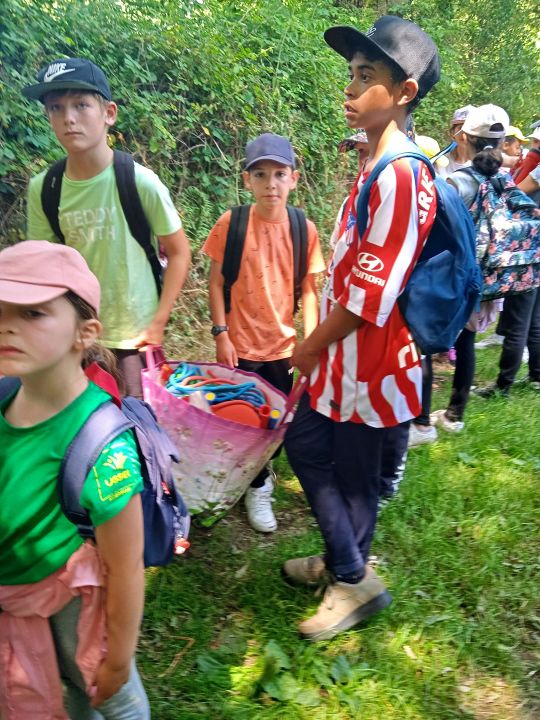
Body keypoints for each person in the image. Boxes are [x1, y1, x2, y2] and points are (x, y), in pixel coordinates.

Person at [283, 15, 439, 640]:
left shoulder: (401, 172)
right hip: (345, 355)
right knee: (314, 448)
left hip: (368, 358)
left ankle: (351, 577)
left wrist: (307, 346)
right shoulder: (375, 161)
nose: (349, 87)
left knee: (344, 469)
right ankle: (344, 559)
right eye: (350, 72)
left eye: (366, 75)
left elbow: (371, 296)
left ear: (404, 92)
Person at [0, 241, 149, 718]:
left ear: (84, 333)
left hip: (67, 602)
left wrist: (118, 661)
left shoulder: (103, 447)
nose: (6, 325)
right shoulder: (4, 397)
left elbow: (125, 568)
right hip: (12, 598)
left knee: (103, 693)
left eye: (32, 313)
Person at [22, 57, 191, 398]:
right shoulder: (45, 188)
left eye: (81, 105)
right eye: (56, 108)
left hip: (133, 337)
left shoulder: (140, 182)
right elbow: (44, 268)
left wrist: (157, 324)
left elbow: (179, 253)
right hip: (75, 337)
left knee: (134, 422)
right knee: (78, 424)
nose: (69, 118)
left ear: (109, 113)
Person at [202, 133, 325, 533]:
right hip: (239, 346)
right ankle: (249, 482)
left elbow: (309, 290)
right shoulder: (232, 223)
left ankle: (265, 479)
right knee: (243, 419)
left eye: (279, 174)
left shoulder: (304, 229)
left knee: (279, 423)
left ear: (294, 179)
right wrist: (221, 333)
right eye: (260, 175)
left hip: (283, 350)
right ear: (247, 180)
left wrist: (310, 343)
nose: (270, 184)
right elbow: (216, 283)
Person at [429, 104, 510, 430]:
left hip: (456, 276)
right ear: (502, 142)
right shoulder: (506, 179)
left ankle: (420, 421)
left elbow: (435, 228)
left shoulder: (456, 182)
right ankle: (455, 414)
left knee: (429, 339)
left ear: (464, 137)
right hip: (491, 274)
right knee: (466, 341)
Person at [439, 104, 476, 178]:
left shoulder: (484, 165)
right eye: (461, 128)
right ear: (452, 133)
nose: (464, 133)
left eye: (470, 128)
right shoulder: (440, 162)